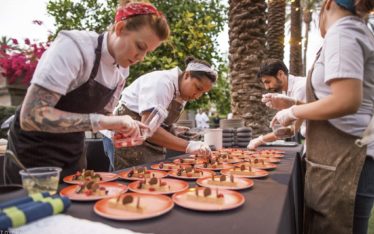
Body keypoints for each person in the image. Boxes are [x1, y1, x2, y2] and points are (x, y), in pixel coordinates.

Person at [4, 1, 170, 184]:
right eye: (140, 46)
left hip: (73, 153)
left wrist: (124, 128)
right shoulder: (74, 47)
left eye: (148, 52)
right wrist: (104, 121)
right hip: (32, 155)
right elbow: (31, 116)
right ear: (120, 28)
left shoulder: (122, 70)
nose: (141, 57)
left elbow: (103, 116)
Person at [271, 0, 374, 233]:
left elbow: (346, 101)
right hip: (342, 161)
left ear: (327, 3)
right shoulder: (355, 32)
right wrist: (295, 103)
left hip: (347, 161)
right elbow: (338, 100)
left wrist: (293, 112)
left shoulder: (343, 33)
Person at [111, 56, 216, 169]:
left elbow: (159, 122)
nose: (198, 96)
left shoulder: (183, 95)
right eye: (198, 88)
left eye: (203, 93)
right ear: (187, 75)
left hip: (147, 141)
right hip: (125, 138)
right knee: (129, 179)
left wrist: (172, 129)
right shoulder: (162, 83)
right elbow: (148, 129)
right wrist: (189, 146)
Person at [247, 59, 306, 149]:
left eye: (268, 82)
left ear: (280, 74)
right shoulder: (285, 92)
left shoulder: (300, 87)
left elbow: (293, 129)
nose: (266, 87)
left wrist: (261, 139)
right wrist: (261, 140)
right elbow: (289, 130)